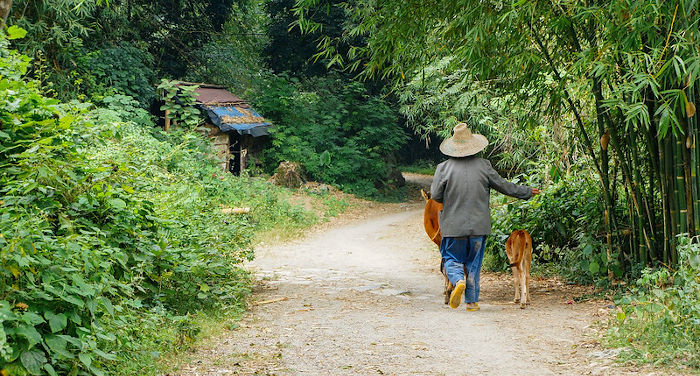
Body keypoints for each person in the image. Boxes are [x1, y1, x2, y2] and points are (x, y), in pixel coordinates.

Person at [430, 123, 540, 311]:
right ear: (473, 145)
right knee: (474, 263)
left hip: (453, 226)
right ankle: (472, 302)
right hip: (479, 227)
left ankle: (457, 281)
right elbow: (504, 186)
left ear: (454, 146)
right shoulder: (484, 166)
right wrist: (527, 191)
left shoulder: (443, 168)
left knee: (450, 258)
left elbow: (436, 196)